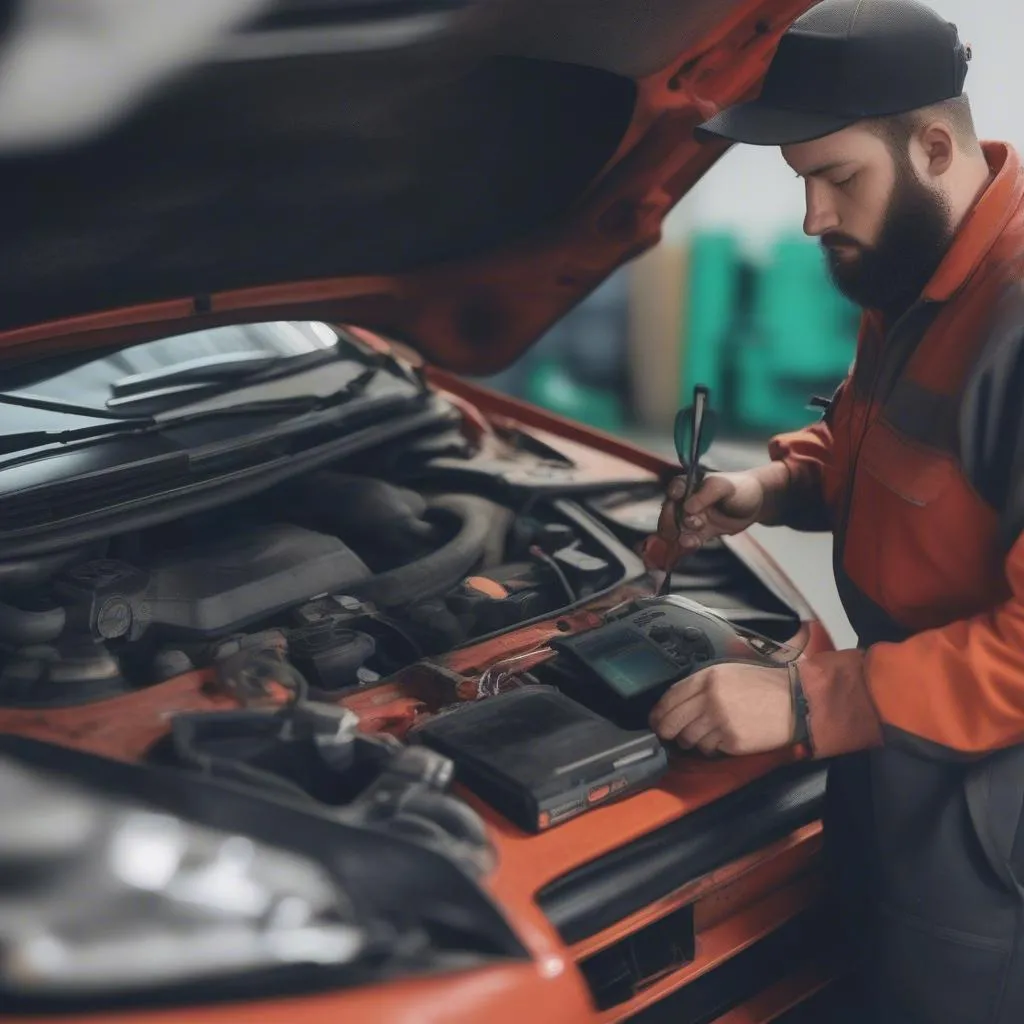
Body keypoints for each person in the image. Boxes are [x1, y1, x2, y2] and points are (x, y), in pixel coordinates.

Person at [642, 1, 1024, 1021]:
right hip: (881, 730)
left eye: (833, 177)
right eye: (800, 180)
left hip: (986, 805)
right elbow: (868, 442)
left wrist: (808, 703)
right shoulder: (910, 267)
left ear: (933, 144)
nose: (811, 216)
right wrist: (765, 487)